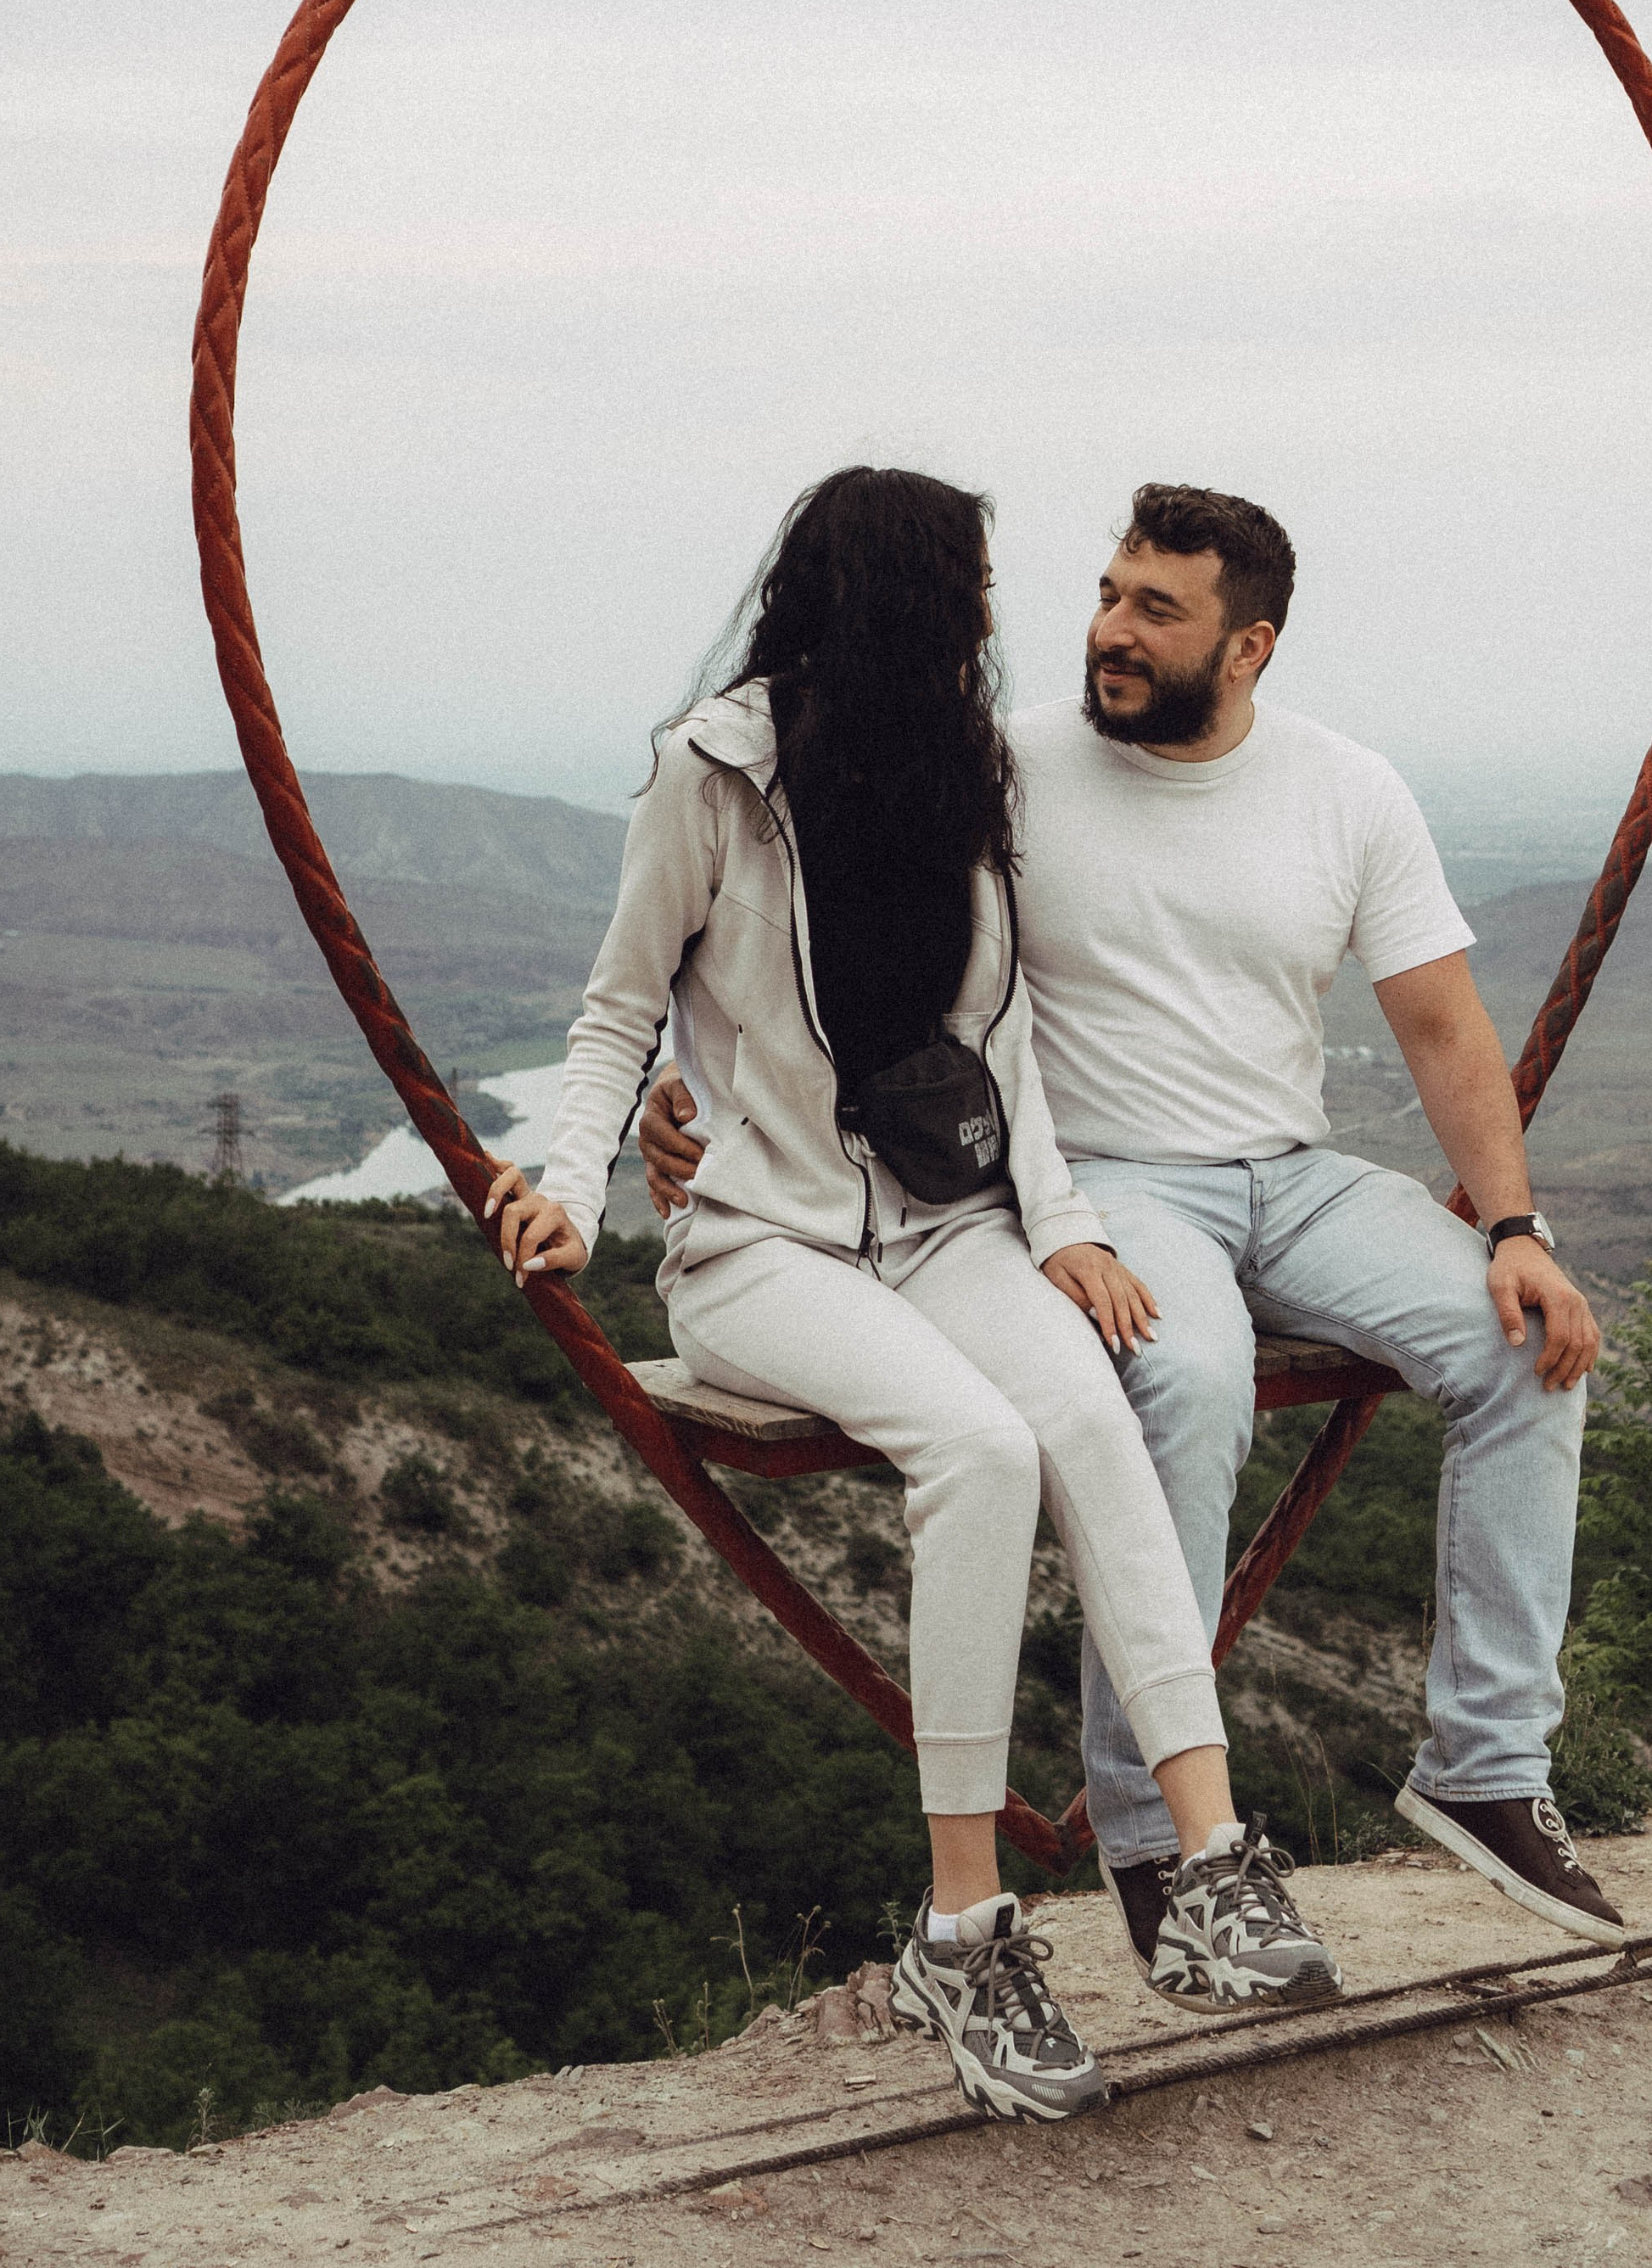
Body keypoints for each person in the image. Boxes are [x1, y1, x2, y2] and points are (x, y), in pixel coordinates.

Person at [645, 480, 1621, 2006]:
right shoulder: (1003, 766)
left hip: (1289, 1174)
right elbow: (792, 936)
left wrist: (1513, 1224)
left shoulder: (1347, 792)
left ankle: (1486, 1766)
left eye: (1155, 610)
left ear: (1250, 648)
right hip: (1099, 1186)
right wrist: (696, 1098)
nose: (1107, 630)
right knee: (1187, 1377)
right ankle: (1151, 1826)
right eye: (1106, 594)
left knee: (1529, 1347)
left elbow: (1441, 1022)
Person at [484, 467, 1338, 2123]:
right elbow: (615, 1014)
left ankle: (1213, 1851)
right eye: (969, 584)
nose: (991, 614)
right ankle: (962, 1929)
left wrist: (1068, 1223)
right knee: (981, 1452)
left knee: (1087, 1413)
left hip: (947, 1228)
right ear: (891, 592)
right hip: (763, 1249)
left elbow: (999, 1037)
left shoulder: (961, 765)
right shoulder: (711, 774)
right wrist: (568, 1182)